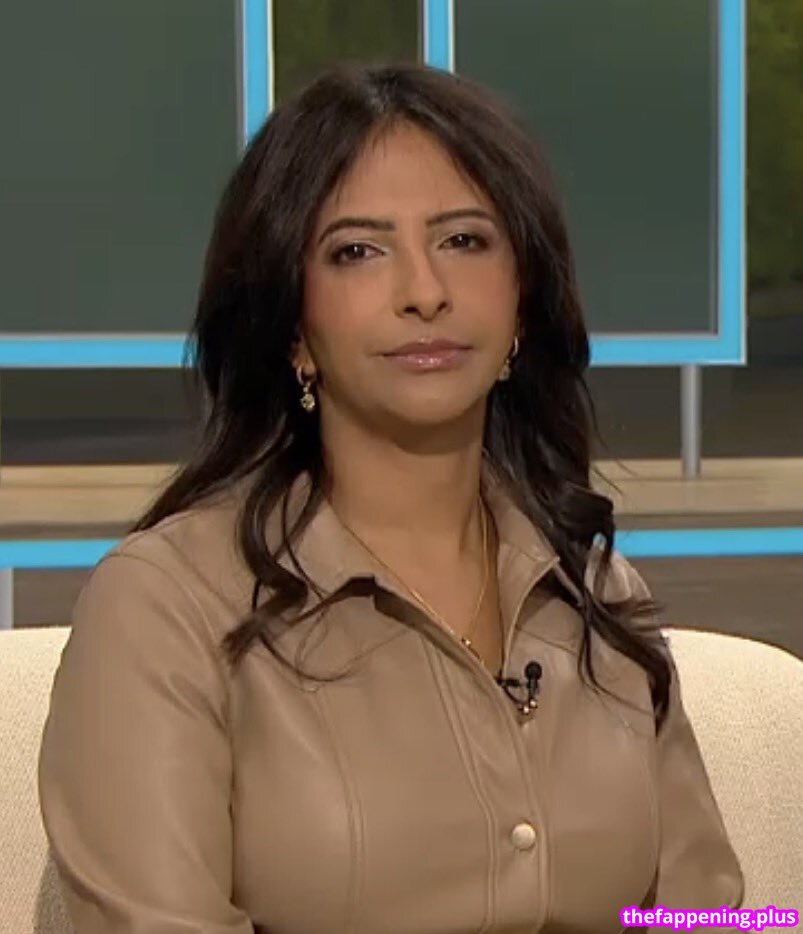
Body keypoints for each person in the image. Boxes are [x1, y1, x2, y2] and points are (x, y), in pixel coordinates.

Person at [38, 61, 743, 933]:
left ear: (522, 301)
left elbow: (706, 918)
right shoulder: (165, 607)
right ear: (292, 325)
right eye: (358, 251)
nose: (424, 293)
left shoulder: (594, 591)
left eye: (464, 241)